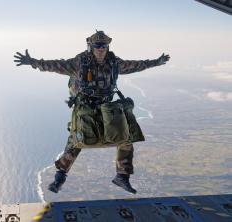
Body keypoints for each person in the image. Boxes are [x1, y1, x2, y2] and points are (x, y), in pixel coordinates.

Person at [14, 31, 170, 194]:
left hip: (106, 107)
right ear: (91, 46)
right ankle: (59, 177)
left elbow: (136, 65)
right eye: (97, 46)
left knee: (125, 137)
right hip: (85, 107)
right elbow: (54, 65)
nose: (101, 49)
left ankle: (122, 177)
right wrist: (32, 61)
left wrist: (156, 62)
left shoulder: (114, 62)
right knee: (77, 138)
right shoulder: (80, 62)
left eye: (104, 45)